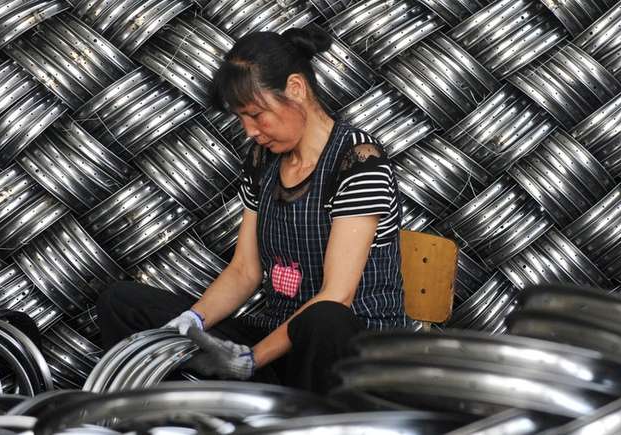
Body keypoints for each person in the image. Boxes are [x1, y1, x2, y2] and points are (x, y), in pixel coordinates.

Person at [95, 26, 410, 394]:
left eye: (257, 114)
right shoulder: (264, 159)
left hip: (349, 351)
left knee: (325, 319)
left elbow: (336, 295)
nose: (250, 131)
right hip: (279, 346)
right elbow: (245, 270)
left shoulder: (358, 160)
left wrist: (252, 359)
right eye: (241, 118)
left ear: (296, 88)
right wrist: (191, 321)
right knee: (122, 303)